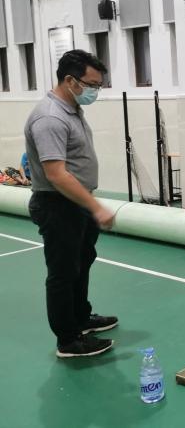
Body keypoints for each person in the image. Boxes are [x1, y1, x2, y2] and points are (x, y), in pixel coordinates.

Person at [25, 49, 118, 358]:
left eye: (99, 85)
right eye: (92, 85)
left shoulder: (72, 109)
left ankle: (81, 318)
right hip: (58, 205)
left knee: (82, 262)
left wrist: (88, 204)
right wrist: (96, 206)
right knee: (63, 273)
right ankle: (68, 340)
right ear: (70, 80)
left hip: (75, 203)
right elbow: (56, 174)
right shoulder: (50, 118)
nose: (95, 91)